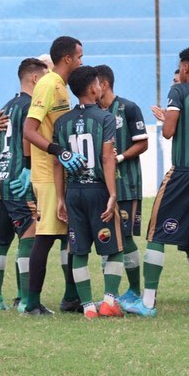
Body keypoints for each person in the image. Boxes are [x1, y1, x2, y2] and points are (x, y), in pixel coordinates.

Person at [124, 46, 189, 318]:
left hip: (184, 171)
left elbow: (169, 132)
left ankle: (147, 303)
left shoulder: (178, 91)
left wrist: (168, 119)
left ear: (184, 68)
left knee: (157, 233)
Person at [21, 36, 87, 316]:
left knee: (70, 236)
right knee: (46, 237)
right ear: (68, 58)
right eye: (80, 56)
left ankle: (71, 298)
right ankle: (31, 303)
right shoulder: (48, 84)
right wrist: (58, 150)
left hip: (61, 171)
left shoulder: (61, 86)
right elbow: (30, 129)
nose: (82, 61)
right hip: (48, 174)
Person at [53, 66, 126, 319]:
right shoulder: (105, 118)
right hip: (98, 191)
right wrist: (113, 195)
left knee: (78, 250)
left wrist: (60, 198)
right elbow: (107, 157)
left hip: (73, 192)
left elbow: (56, 162)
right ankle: (109, 301)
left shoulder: (62, 122)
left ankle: (87, 307)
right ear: (94, 88)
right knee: (115, 248)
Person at [0, 57, 48, 312]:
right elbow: (26, 137)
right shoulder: (32, 105)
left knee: (1, 242)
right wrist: (28, 169)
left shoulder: (8, 106)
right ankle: (25, 300)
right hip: (17, 180)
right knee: (29, 236)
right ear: (35, 78)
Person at [95, 64, 149, 304]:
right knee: (106, 236)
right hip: (100, 186)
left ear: (104, 84)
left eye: (94, 84)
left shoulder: (129, 108)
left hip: (127, 185)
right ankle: (111, 293)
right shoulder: (92, 111)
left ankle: (135, 290)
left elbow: (143, 143)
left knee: (125, 238)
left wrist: (119, 157)